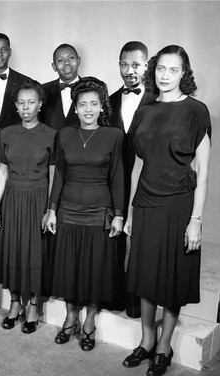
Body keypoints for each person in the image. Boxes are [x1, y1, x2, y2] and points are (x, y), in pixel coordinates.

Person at [123, 45, 211, 376]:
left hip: (178, 204)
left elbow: (203, 172)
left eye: (173, 70)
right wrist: (130, 210)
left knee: (171, 278)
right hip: (145, 202)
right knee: (146, 276)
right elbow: (136, 166)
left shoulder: (196, 111)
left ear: (184, 74)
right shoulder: (145, 111)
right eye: (160, 68)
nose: (165, 75)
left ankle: (164, 345)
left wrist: (196, 220)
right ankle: (146, 340)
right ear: (153, 70)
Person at [45, 77, 124, 351]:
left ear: (102, 107)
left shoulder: (114, 136)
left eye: (94, 103)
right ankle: (70, 318)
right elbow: (59, 177)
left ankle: (89, 320)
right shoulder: (64, 134)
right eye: (82, 104)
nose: (88, 109)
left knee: (94, 269)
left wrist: (119, 214)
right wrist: (51, 210)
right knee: (69, 267)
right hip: (67, 210)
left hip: (98, 211)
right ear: (75, 107)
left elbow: (117, 178)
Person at [0, 79, 56, 334]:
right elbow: (2, 174)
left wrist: (50, 209)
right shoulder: (6, 134)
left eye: (31, 102)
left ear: (40, 104)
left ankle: (33, 306)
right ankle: (14, 303)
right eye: (21, 103)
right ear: (15, 106)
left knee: (35, 252)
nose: (26, 107)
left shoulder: (52, 135)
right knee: (13, 251)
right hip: (13, 199)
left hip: (38, 198)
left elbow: (53, 177)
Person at [108, 41, 157, 318]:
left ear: (146, 66)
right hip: (115, 180)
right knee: (115, 237)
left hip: (147, 181)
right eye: (124, 65)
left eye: (136, 65)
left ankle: (138, 300)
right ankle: (115, 294)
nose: (130, 71)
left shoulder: (158, 99)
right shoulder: (111, 100)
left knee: (141, 240)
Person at [41, 44, 81, 130]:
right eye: (60, 60)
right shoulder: (42, 91)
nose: (66, 63)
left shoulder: (92, 89)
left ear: (79, 61)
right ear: (54, 67)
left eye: (71, 58)